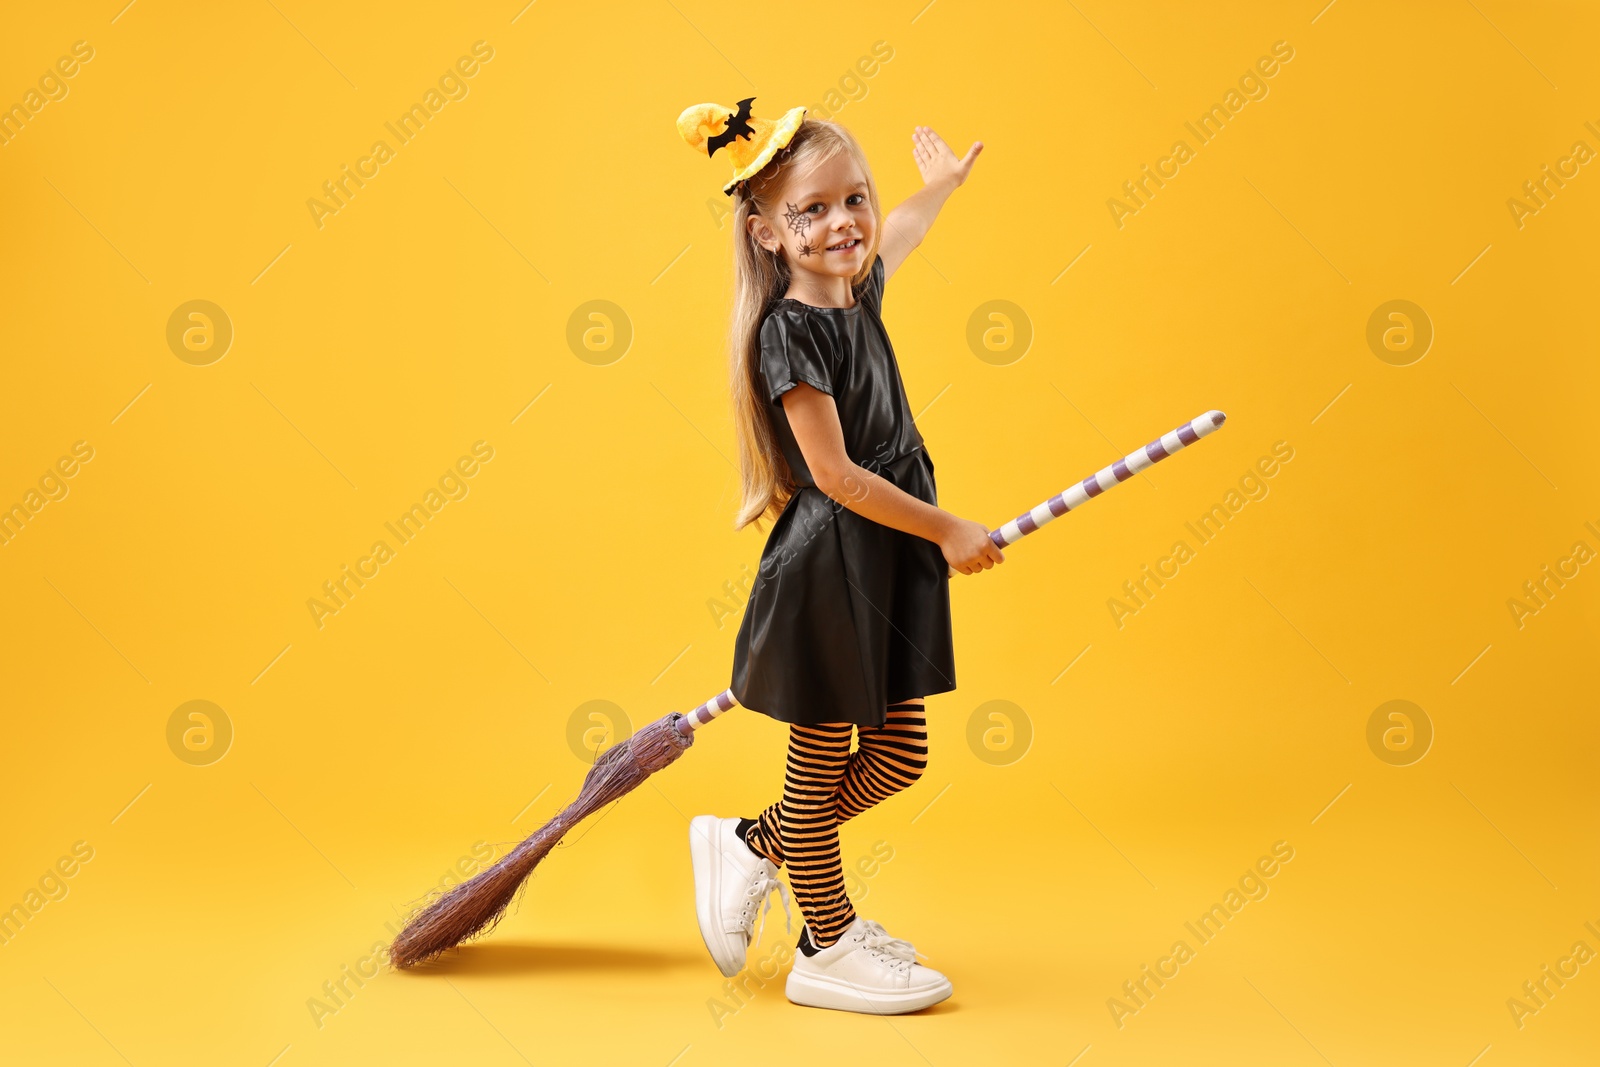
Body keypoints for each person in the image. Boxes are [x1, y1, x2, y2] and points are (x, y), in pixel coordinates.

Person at [675, 99, 1002, 1015]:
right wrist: (948, 529)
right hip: (835, 566)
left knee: (899, 755)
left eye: (850, 198)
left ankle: (755, 842)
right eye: (810, 211)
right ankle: (827, 940)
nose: (841, 222)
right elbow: (838, 476)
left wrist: (936, 190)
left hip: (888, 557)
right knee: (820, 762)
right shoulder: (788, 333)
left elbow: (901, 232)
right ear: (767, 232)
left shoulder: (862, 292)